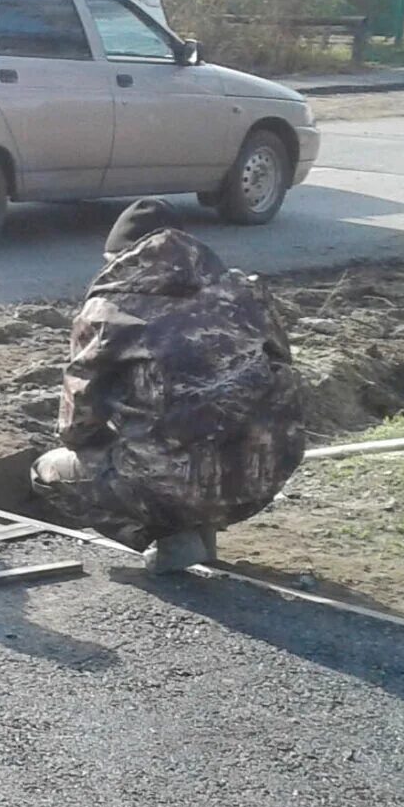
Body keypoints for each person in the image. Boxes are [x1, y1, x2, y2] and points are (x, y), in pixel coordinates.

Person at [31, 199, 305, 573]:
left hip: (179, 481)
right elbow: (280, 364)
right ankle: (198, 530)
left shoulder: (108, 311)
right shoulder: (244, 290)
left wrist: (116, 437)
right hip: (263, 472)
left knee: (47, 473)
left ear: (120, 257)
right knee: (203, 434)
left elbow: (76, 426)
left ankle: (174, 539)